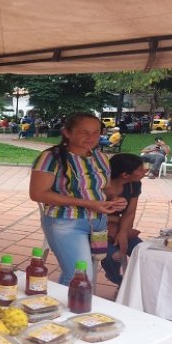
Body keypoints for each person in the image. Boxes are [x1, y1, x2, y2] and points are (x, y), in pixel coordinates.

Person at [29, 113, 128, 285]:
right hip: (66, 222)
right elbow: (37, 194)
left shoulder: (101, 158)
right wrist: (88, 204)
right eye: (84, 132)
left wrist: (114, 199)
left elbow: (103, 188)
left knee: (77, 275)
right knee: (81, 276)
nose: (91, 137)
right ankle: (71, 309)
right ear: (67, 133)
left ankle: (65, 306)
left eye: (96, 132)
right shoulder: (51, 157)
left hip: (98, 223)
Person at [101, 153, 145, 285]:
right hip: (96, 230)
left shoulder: (134, 185)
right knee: (113, 255)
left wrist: (123, 233)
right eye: (140, 169)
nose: (145, 171)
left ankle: (140, 285)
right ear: (125, 175)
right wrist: (115, 223)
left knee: (141, 250)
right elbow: (93, 215)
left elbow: (130, 212)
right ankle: (119, 281)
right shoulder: (101, 185)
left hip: (119, 227)